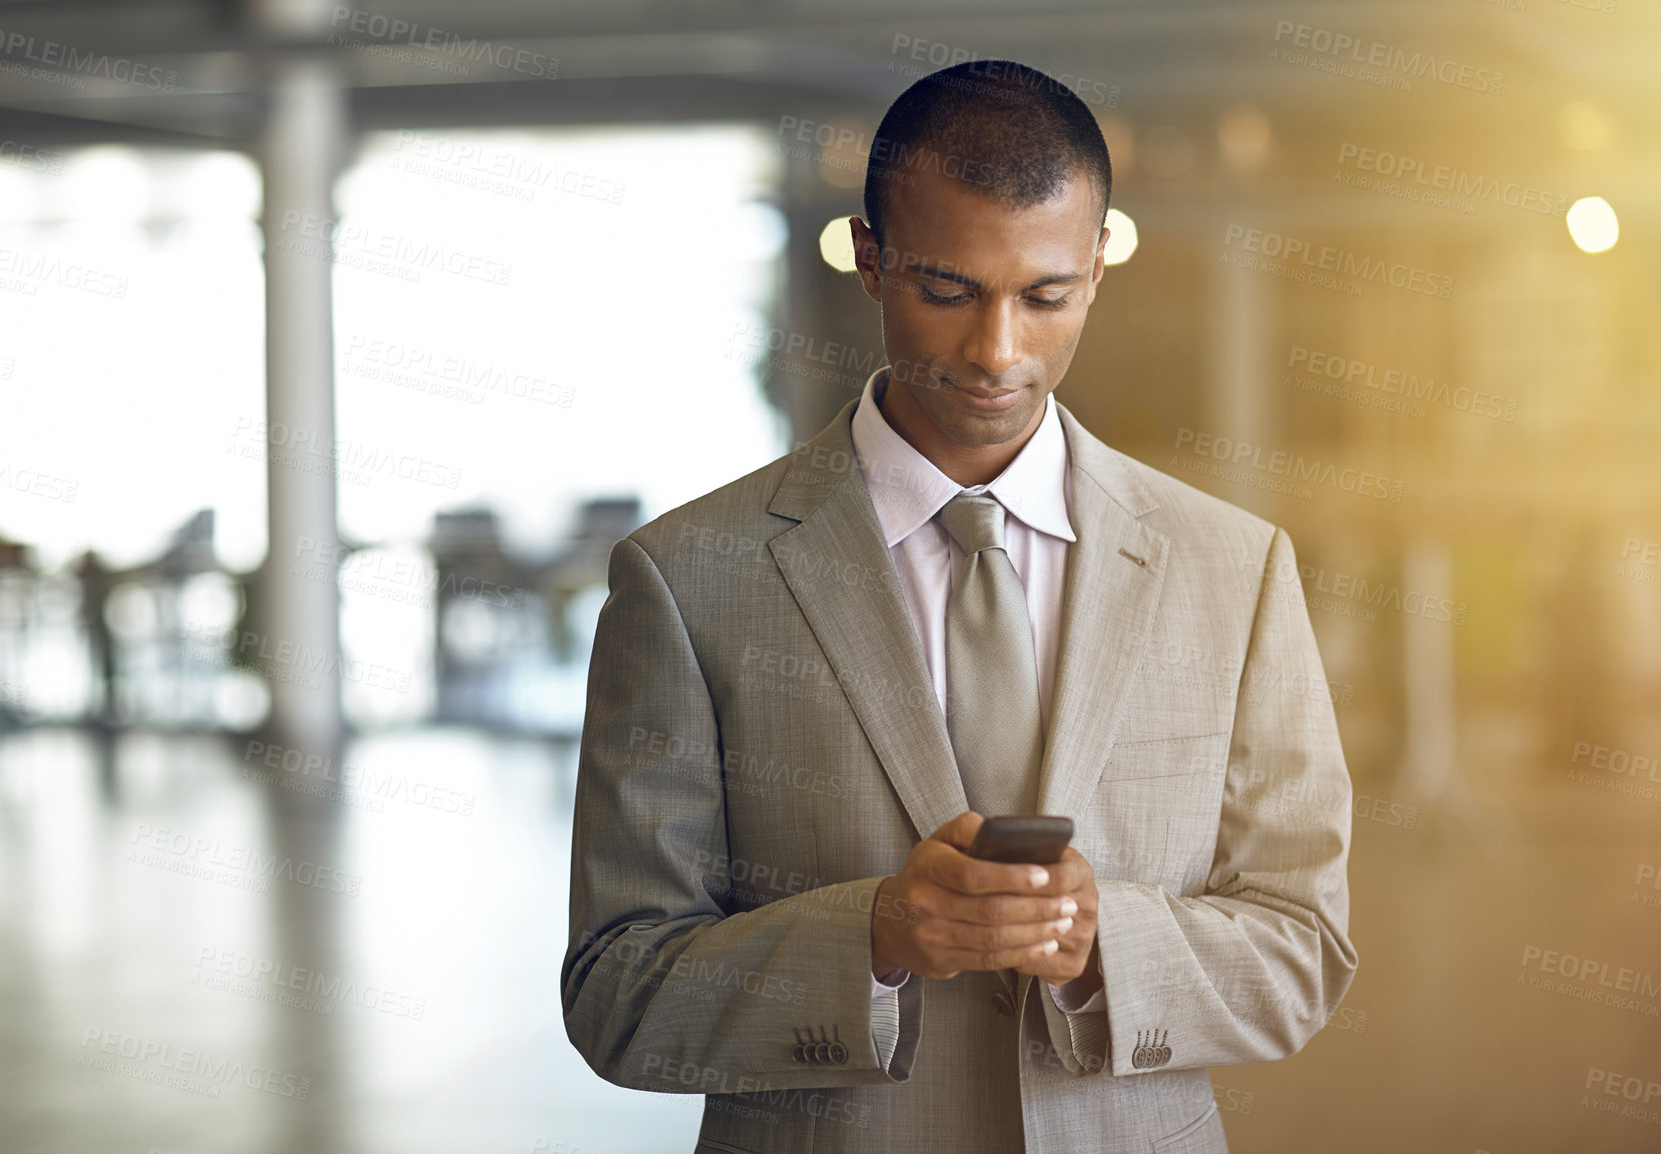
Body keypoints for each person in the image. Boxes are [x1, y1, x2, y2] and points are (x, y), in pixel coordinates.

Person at [562, 58, 1356, 1154]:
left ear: (1097, 265)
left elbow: (1304, 948)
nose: (996, 351)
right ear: (871, 260)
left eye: (1045, 296)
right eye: (948, 290)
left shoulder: (1234, 568)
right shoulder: (688, 576)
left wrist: (1098, 940)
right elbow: (619, 989)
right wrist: (877, 935)